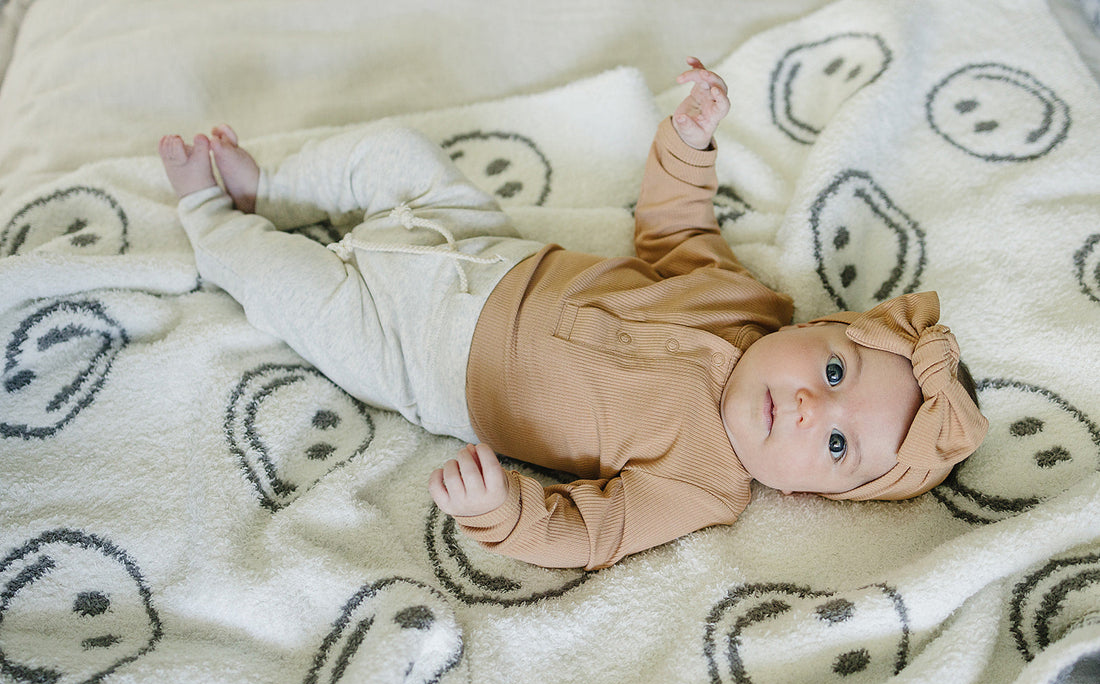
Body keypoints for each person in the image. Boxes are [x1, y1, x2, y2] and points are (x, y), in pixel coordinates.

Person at [158, 58, 987, 570]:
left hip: (419, 355)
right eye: (835, 372)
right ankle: (272, 185)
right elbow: (674, 226)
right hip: (475, 240)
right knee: (398, 155)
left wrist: (505, 513)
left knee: (293, 293)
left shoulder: (702, 484)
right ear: (817, 326)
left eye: (836, 444)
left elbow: (592, 532)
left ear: (815, 495)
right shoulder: (745, 303)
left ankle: (214, 220)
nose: (812, 407)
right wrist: (689, 145)